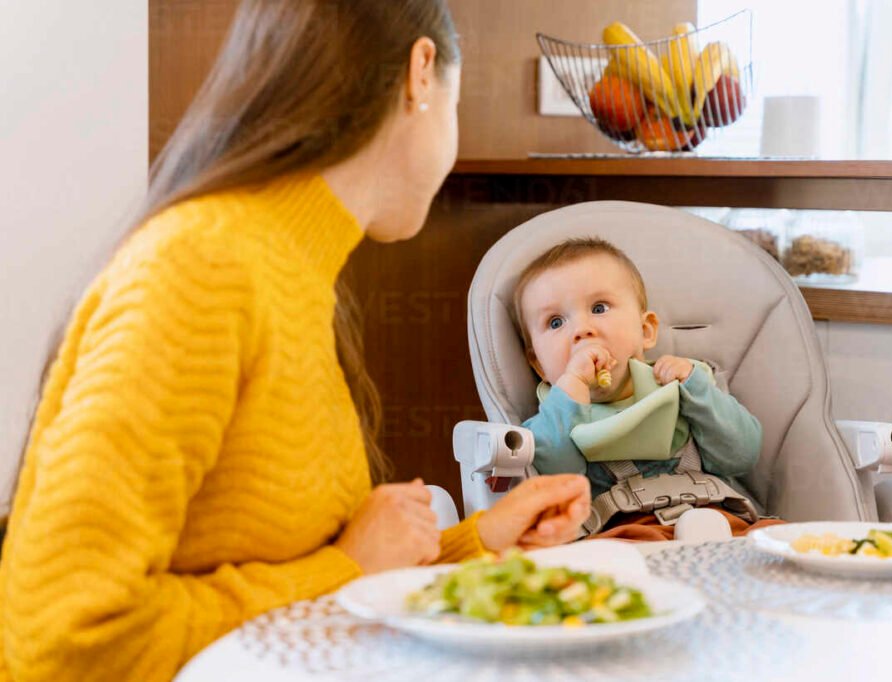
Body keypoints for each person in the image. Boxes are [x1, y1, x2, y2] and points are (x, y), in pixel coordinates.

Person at [0, 2, 590, 680]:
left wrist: (477, 541)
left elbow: (315, 572)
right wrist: (347, 565)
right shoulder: (203, 269)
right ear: (420, 73)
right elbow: (64, 639)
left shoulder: (295, 272)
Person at [515, 237, 778, 540]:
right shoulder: (554, 418)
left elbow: (742, 454)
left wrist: (698, 391)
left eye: (599, 308)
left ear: (646, 330)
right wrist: (572, 386)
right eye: (556, 322)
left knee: (779, 535)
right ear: (538, 365)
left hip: (721, 519)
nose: (581, 330)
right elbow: (557, 477)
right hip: (630, 534)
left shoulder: (682, 383)